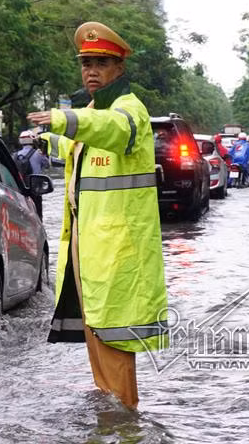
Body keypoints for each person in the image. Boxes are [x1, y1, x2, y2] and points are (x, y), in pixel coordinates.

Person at [26, 22, 167, 410]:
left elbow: (112, 131)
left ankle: (125, 422)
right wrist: (48, 139)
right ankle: (111, 418)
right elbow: (83, 141)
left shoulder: (128, 110)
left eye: (101, 63)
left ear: (119, 69)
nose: (91, 70)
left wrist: (60, 118)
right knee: (96, 332)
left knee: (115, 336)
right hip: (89, 245)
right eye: (86, 63)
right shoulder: (94, 110)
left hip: (119, 249)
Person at [15, 130, 50, 218]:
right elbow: (47, 165)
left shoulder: (15, 155)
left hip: (21, 189)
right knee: (38, 215)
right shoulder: (38, 154)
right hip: (36, 189)